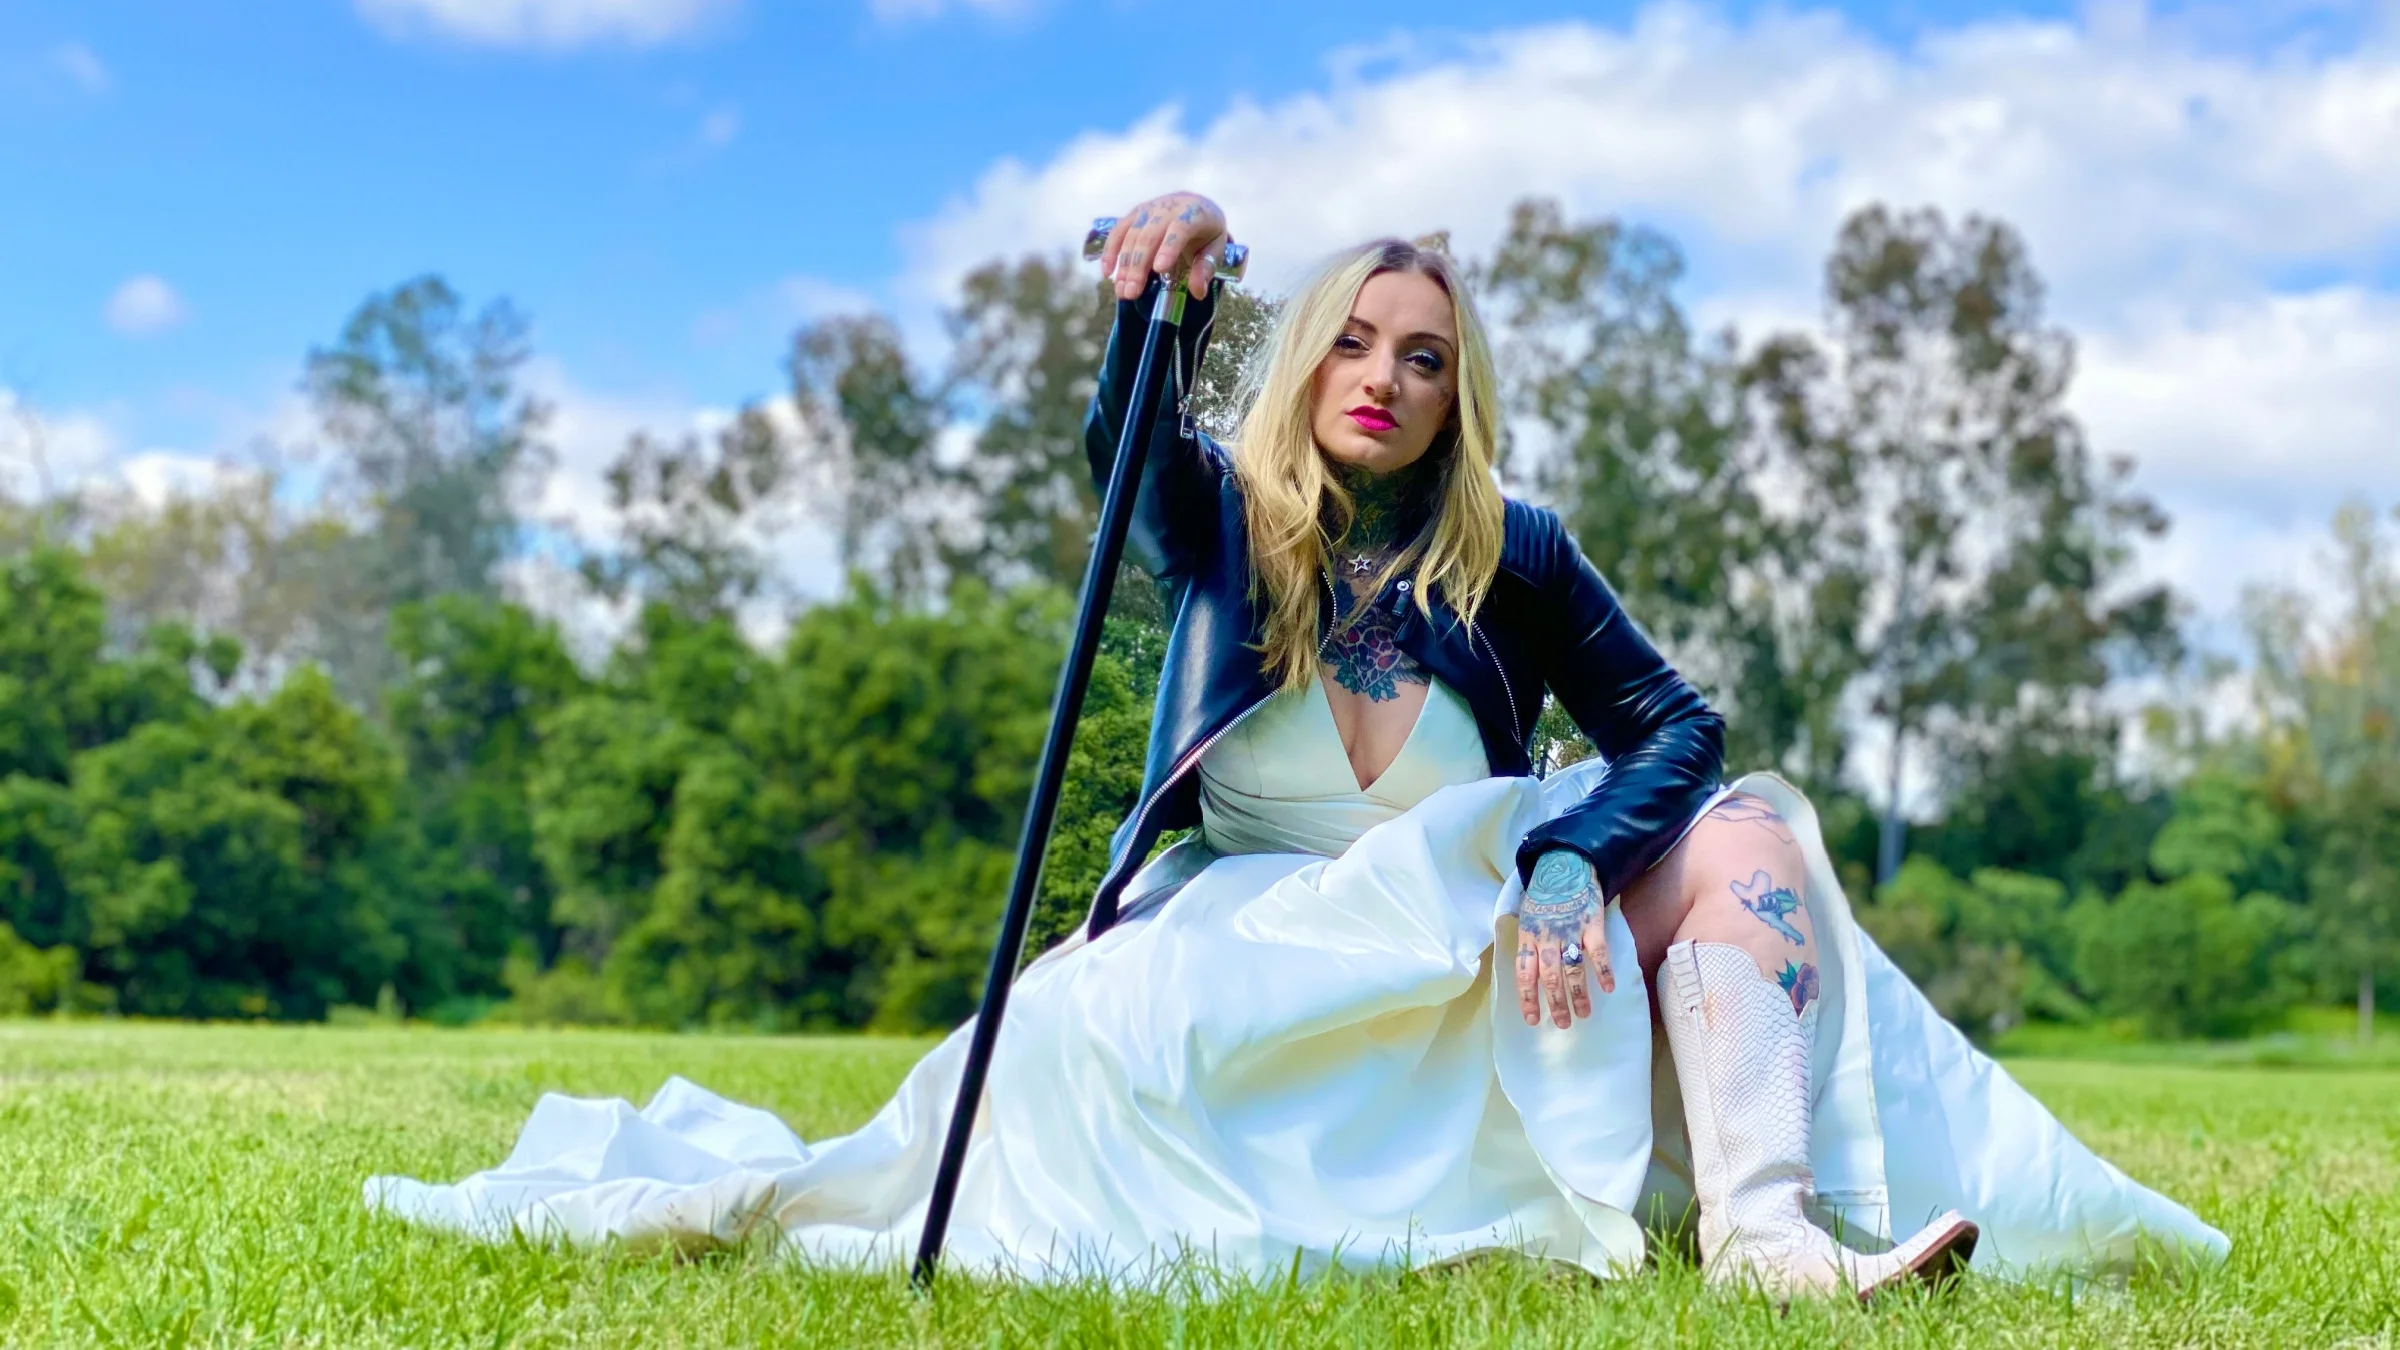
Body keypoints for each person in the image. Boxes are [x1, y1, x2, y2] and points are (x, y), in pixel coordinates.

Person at [367, 192, 2228, 1297]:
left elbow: (1677, 721)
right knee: (1056, 1045)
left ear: (1456, 390)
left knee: (1741, 825)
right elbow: (1128, 471)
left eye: (1428, 356)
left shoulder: (1521, 550)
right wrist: (1142, 291)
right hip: (1254, 924)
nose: (1388, 377)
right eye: (1358, 339)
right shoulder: (1225, 519)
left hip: (1482, 917)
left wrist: (1579, 857)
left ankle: (1768, 1235)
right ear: (1305, 355)